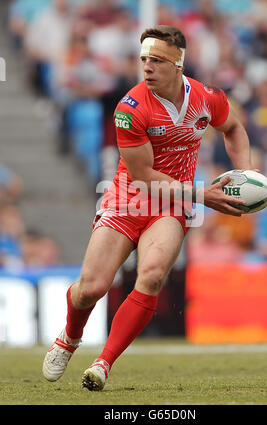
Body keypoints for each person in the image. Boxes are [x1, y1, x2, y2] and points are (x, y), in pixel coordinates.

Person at [42, 25, 253, 391]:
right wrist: (205, 195)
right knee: (90, 289)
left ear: (178, 64)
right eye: (143, 60)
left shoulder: (207, 98)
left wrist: (245, 174)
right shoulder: (130, 108)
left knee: (153, 276)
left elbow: (233, 128)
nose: (147, 67)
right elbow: (142, 177)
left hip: (172, 203)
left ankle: (103, 364)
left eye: (156, 60)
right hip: (129, 197)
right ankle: (69, 337)